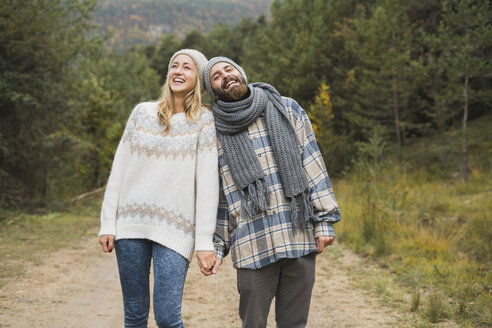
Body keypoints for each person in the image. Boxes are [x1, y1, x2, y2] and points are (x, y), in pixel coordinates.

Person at [203, 57, 341, 328]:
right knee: (253, 323)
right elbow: (218, 195)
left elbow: (312, 164)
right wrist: (217, 245)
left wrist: (324, 220)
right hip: (252, 243)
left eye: (229, 69)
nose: (225, 76)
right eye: (216, 76)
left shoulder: (285, 108)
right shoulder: (212, 131)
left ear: (240, 73)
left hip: (297, 235)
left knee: (294, 323)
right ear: (213, 90)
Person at [98, 49, 219, 328]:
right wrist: (108, 223)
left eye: (187, 67)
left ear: (198, 80)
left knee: (167, 318)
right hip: (130, 224)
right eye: (174, 66)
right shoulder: (142, 113)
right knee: (135, 317)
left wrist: (204, 242)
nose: (178, 71)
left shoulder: (204, 121)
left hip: (176, 229)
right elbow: (119, 169)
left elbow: (208, 186)